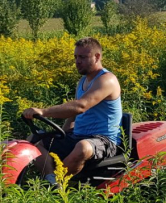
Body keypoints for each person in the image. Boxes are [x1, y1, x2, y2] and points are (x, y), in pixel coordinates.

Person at [22, 37, 122, 184]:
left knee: (82, 147)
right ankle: (51, 180)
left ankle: (60, 182)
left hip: (104, 140)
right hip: (77, 136)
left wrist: (43, 111)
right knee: (34, 140)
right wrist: (62, 134)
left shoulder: (107, 80)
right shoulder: (83, 81)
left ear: (97, 57)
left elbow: (80, 106)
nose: (77, 61)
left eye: (82, 57)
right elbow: (73, 115)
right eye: (76, 57)